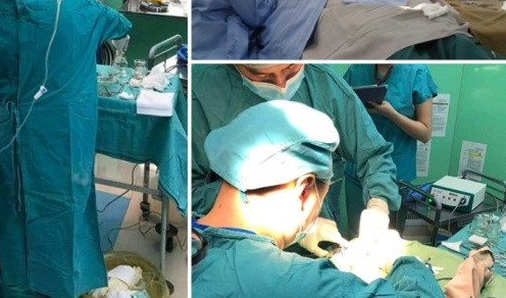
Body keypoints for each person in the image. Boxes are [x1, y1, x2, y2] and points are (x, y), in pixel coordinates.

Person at [0, 0, 132, 298]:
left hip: (13, 129)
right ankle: (65, 281)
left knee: (15, 202)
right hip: (65, 128)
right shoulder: (74, 5)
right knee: (66, 201)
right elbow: (121, 25)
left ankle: (18, 284)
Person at [192, 100, 476, 298]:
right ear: (304, 189)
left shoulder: (190, 242)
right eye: (322, 197)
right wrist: (401, 259)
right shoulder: (300, 281)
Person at [192, 63, 400, 257]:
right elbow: (189, 189)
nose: (281, 85)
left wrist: (379, 204)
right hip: (243, 251)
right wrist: (282, 221)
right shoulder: (201, 94)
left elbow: (373, 153)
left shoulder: (323, 83)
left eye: (291, 69)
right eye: (263, 76)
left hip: (322, 249)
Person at [343, 64, 437, 236]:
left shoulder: (416, 72)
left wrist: (391, 114)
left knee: (388, 238)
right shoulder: (357, 69)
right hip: (357, 170)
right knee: (356, 236)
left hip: (396, 173)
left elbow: (425, 133)